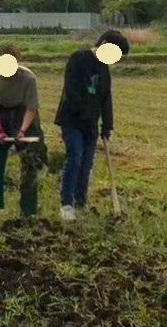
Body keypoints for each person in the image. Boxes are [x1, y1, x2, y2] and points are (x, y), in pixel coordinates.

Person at [55, 29, 130, 220]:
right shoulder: (78, 58)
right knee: (75, 158)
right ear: (103, 43)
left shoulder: (104, 69)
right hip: (72, 120)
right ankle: (67, 204)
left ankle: (81, 202)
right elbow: (71, 90)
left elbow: (106, 98)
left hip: (91, 125)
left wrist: (107, 125)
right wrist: (83, 112)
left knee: (87, 163)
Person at [0, 45, 46, 219]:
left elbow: (32, 108)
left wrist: (22, 131)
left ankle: (28, 211)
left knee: (30, 162)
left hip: (23, 113)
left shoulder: (28, 78)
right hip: (0, 113)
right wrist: (0, 129)